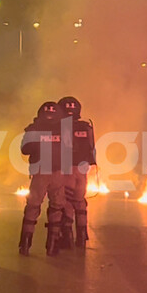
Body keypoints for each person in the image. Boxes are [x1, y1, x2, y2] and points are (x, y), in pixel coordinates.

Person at [19, 102, 75, 257]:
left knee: (33, 206)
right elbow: (70, 150)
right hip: (58, 173)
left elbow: (24, 150)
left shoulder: (34, 128)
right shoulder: (64, 129)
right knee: (57, 207)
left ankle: (25, 245)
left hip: (40, 173)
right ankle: (52, 246)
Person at [58, 96, 96, 248]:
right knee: (80, 201)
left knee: (66, 201)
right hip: (82, 169)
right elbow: (92, 147)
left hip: (67, 168)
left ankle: (67, 236)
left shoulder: (60, 127)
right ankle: (82, 235)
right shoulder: (86, 127)